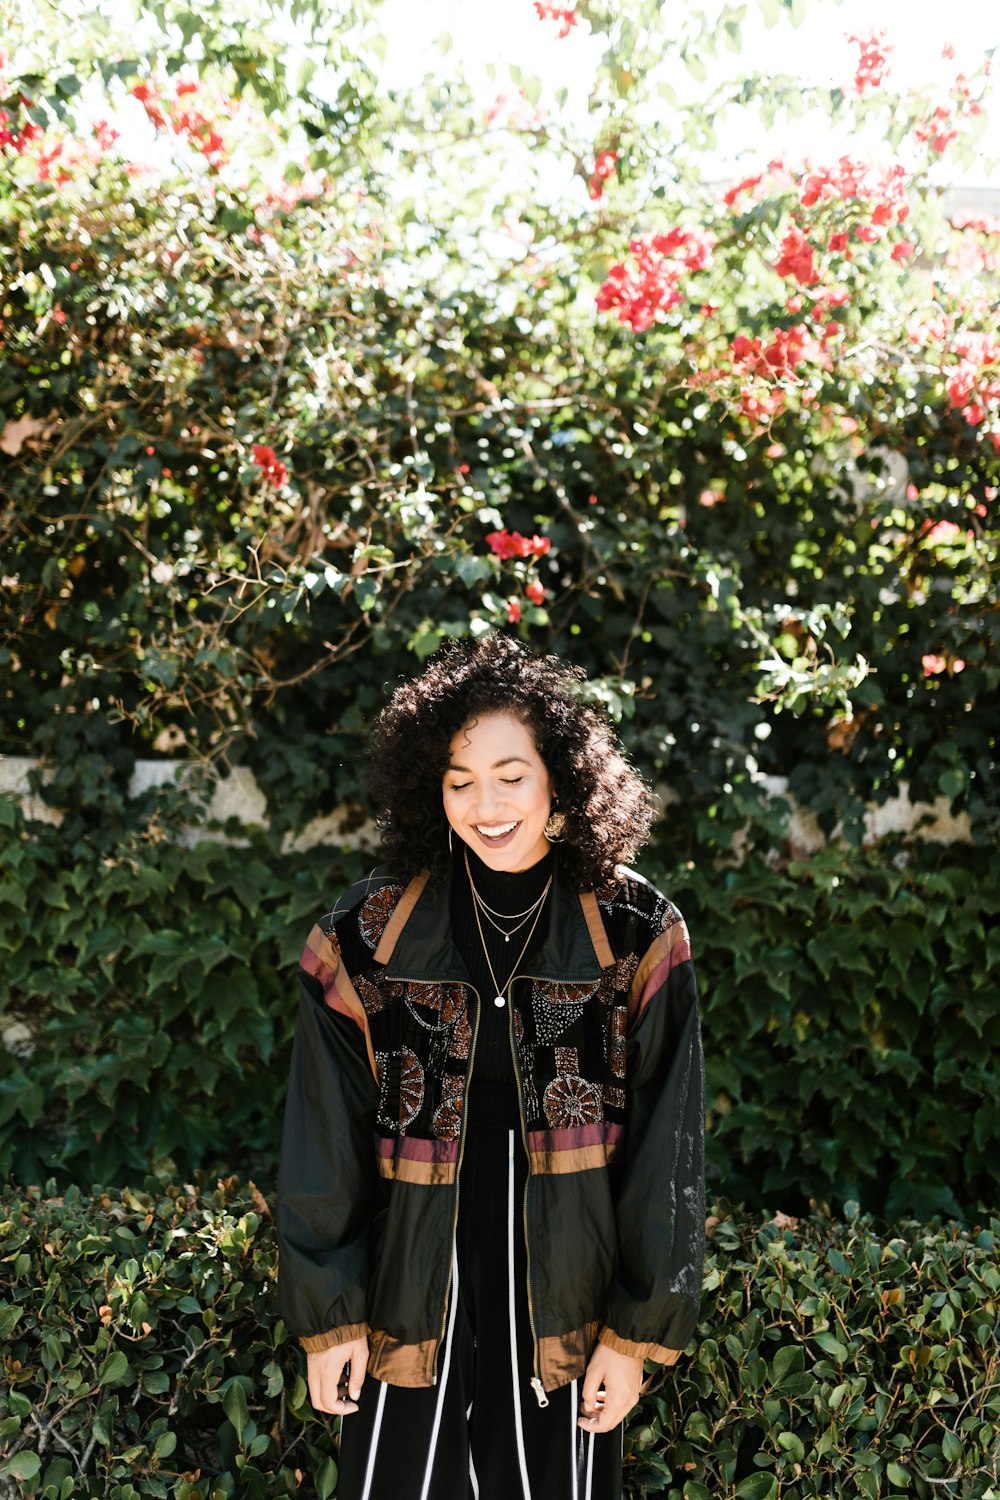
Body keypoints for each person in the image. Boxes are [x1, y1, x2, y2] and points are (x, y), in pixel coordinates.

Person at [276, 633, 706, 1500]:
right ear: (429, 791)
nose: (487, 803)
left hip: (568, 1293)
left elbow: (671, 1147)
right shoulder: (367, 933)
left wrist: (633, 1335)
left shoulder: (634, 929)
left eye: (512, 774)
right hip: (410, 1282)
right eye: (460, 780)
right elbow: (323, 1132)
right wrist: (332, 1319)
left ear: (561, 780)